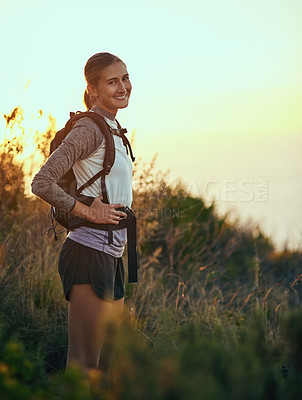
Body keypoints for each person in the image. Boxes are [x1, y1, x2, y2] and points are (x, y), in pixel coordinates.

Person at [31, 52, 134, 378]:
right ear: (92, 89)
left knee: (104, 369)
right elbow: (41, 182)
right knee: (84, 367)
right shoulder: (89, 129)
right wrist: (85, 209)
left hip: (114, 253)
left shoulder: (115, 130)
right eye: (112, 81)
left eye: (125, 78)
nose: (123, 87)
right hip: (88, 251)